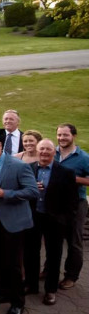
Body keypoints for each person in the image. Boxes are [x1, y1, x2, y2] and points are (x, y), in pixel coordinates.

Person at [0, 133, 39, 314]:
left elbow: (32, 191)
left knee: (13, 264)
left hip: (13, 221)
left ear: (0, 144)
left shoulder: (19, 165)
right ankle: (1, 292)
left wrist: (4, 193)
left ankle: (17, 302)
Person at [24, 139, 78, 306]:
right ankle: (31, 284)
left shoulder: (66, 172)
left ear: (54, 152)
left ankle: (50, 290)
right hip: (34, 216)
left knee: (54, 255)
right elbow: (22, 191)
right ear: (37, 151)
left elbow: (72, 201)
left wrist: (64, 220)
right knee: (31, 252)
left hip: (54, 219)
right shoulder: (29, 169)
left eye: (48, 150)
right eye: (42, 149)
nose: (44, 153)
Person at [54, 123, 89, 291]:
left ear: (73, 136)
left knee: (74, 241)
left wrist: (70, 178)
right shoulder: (51, 152)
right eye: (59, 135)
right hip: (55, 203)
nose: (61, 138)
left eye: (65, 135)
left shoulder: (83, 157)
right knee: (53, 238)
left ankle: (71, 275)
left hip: (76, 203)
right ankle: (49, 269)